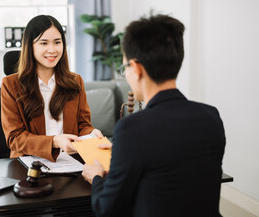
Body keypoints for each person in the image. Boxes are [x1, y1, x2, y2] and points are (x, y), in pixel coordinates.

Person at [82, 14, 226, 217]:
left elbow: (106, 209)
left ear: (137, 68)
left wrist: (95, 177)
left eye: (125, 68)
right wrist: (125, 151)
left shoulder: (132, 129)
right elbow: (172, 155)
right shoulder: (211, 117)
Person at [1, 15, 103, 162]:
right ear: (30, 46)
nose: (52, 49)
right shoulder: (11, 85)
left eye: (57, 42)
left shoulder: (75, 81)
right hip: (30, 164)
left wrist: (92, 133)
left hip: (69, 162)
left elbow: (83, 125)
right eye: (43, 43)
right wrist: (54, 141)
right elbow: (15, 138)